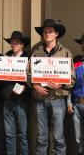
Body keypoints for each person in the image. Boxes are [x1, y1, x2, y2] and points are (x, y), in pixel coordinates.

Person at [26, 19, 76, 155]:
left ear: (56, 34)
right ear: (42, 34)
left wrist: (61, 84)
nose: (47, 34)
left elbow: (72, 79)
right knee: (41, 138)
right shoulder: (36, 53)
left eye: (50, 31)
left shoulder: (65, 53)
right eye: (45, 31)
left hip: (58, 100)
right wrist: (34, 84)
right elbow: (28, 75)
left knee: (59, 138)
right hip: (39, 100)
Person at [0, 31, 31, 155]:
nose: (14, 45)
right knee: (9, 135)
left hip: (22, 102)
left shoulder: (28, 59)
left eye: (17, 42)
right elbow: (0, 81)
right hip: (7, 101)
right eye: (12, 42)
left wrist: (26, 87)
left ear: (22, 44)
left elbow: (33, 80)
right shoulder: (4, 59)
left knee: (23, 135)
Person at [67, 34, 84, 155]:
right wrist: (69, 103)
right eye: (83, 42)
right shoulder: (76, 62)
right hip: (77, 106)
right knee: (79, 139)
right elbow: (70, 83)